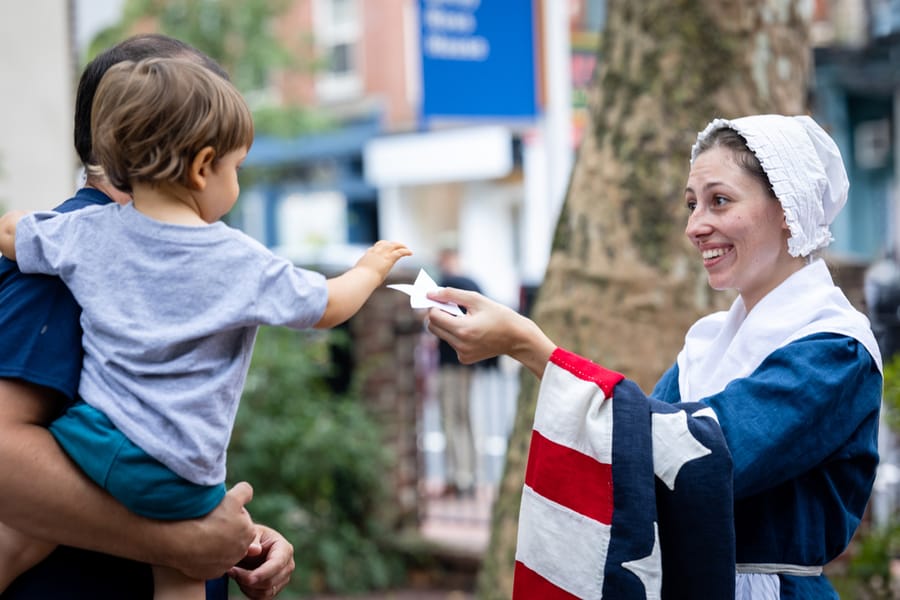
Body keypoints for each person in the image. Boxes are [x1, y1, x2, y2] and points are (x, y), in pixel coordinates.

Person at [0, 55, 410, 599]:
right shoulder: (236, 258)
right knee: (184, 578)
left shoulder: (81, 237)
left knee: (18, 538)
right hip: (179, 475)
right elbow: (331, 304)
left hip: (93, 440)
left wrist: (242, 534)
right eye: (237, 167)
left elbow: (10, 233)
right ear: (202, 167)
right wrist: (372, 266)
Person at [425, 114, 883, 599]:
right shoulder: (705, 343)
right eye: (692, 205)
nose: (694, 226)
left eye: (719, 201)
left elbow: (701, 455)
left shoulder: (836, 349)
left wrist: (534, 350)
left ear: (788, 209)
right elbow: (636, 451)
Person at [434, 238, 496, 497]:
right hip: (467, 362)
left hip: (453, 363)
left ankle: (460, 477)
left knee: (453, 418)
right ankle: (467, 475)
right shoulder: (473, 286)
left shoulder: (449, 286)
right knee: (465, 418)